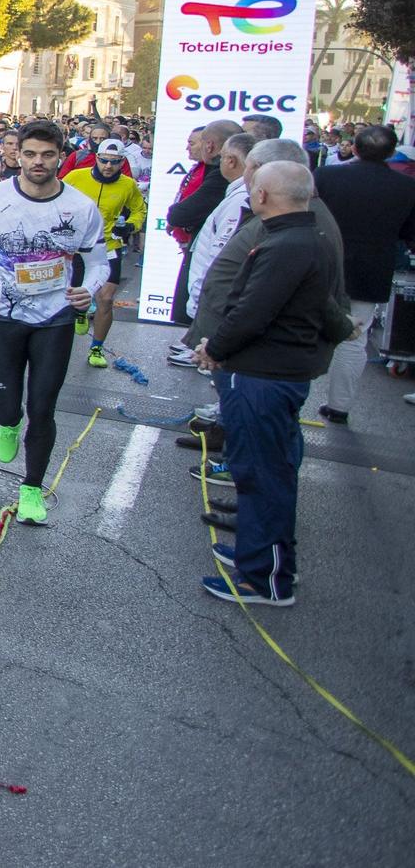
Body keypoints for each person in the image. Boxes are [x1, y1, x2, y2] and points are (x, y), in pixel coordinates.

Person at [192, 162, 344, 606]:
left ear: (262, 196)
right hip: (270, 372)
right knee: (260, 473)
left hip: (265, 376)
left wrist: (214, 348)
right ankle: (258, 557)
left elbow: (251, 313)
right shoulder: (305, 235)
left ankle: (266, 578)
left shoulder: (286, 245)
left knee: (264, 478)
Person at [0, 121, 108, 526]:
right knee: (6, 406)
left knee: (43, 408)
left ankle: (31, 488)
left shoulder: (80, 208)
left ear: (60, 156)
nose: (38, 162)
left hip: (54, 318)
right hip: (4, 318)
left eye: (47, 155)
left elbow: (98, 262)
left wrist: (88, 289)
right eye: (30, 154)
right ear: (18, 155)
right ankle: (7, 424)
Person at [313, 124, 415, 424]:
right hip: (371, 269)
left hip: (322, 262)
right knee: (355, 337)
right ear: (393, 152)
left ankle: (290, 399)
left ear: (354, 147)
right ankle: (339, 406)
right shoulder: (407, 187)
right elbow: (408, 233)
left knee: (302, 328)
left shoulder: (327, 176)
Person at [63, 139, 146, 368]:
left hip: (108, 246)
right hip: (76, 247)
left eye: (115, 162)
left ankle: (97, 348)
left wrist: (130, 225)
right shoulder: (75, 177)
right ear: (96, 158)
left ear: (122, 162)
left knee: (106, 299)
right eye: (104, 161)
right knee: (73, 296)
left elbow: (139, 210)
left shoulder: (128, 185)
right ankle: (80, 313)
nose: (108, 166)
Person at [166, 121, 240, 322]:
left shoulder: (218, 176)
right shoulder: (202, 169)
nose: (188, 148)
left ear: (209, 145)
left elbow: (185, 211)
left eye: (193, 143)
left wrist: (178, 215)